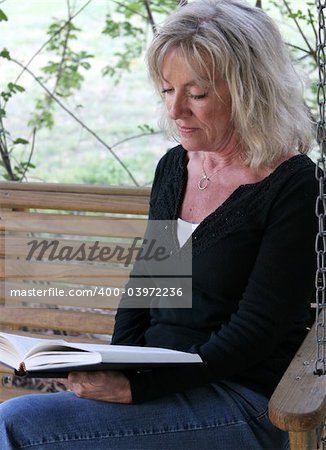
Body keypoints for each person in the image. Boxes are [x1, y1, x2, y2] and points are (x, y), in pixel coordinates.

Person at [0, 0, 318, 448]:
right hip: (159, 388)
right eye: (168, 90)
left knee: (17, 424)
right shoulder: (177, 168)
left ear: (249, 90)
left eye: (198, 93)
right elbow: (149, 287)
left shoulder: (296, 187)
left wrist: (138, 389)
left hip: (242, 402)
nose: (176, 111)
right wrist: (106, 368)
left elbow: (256, 332)